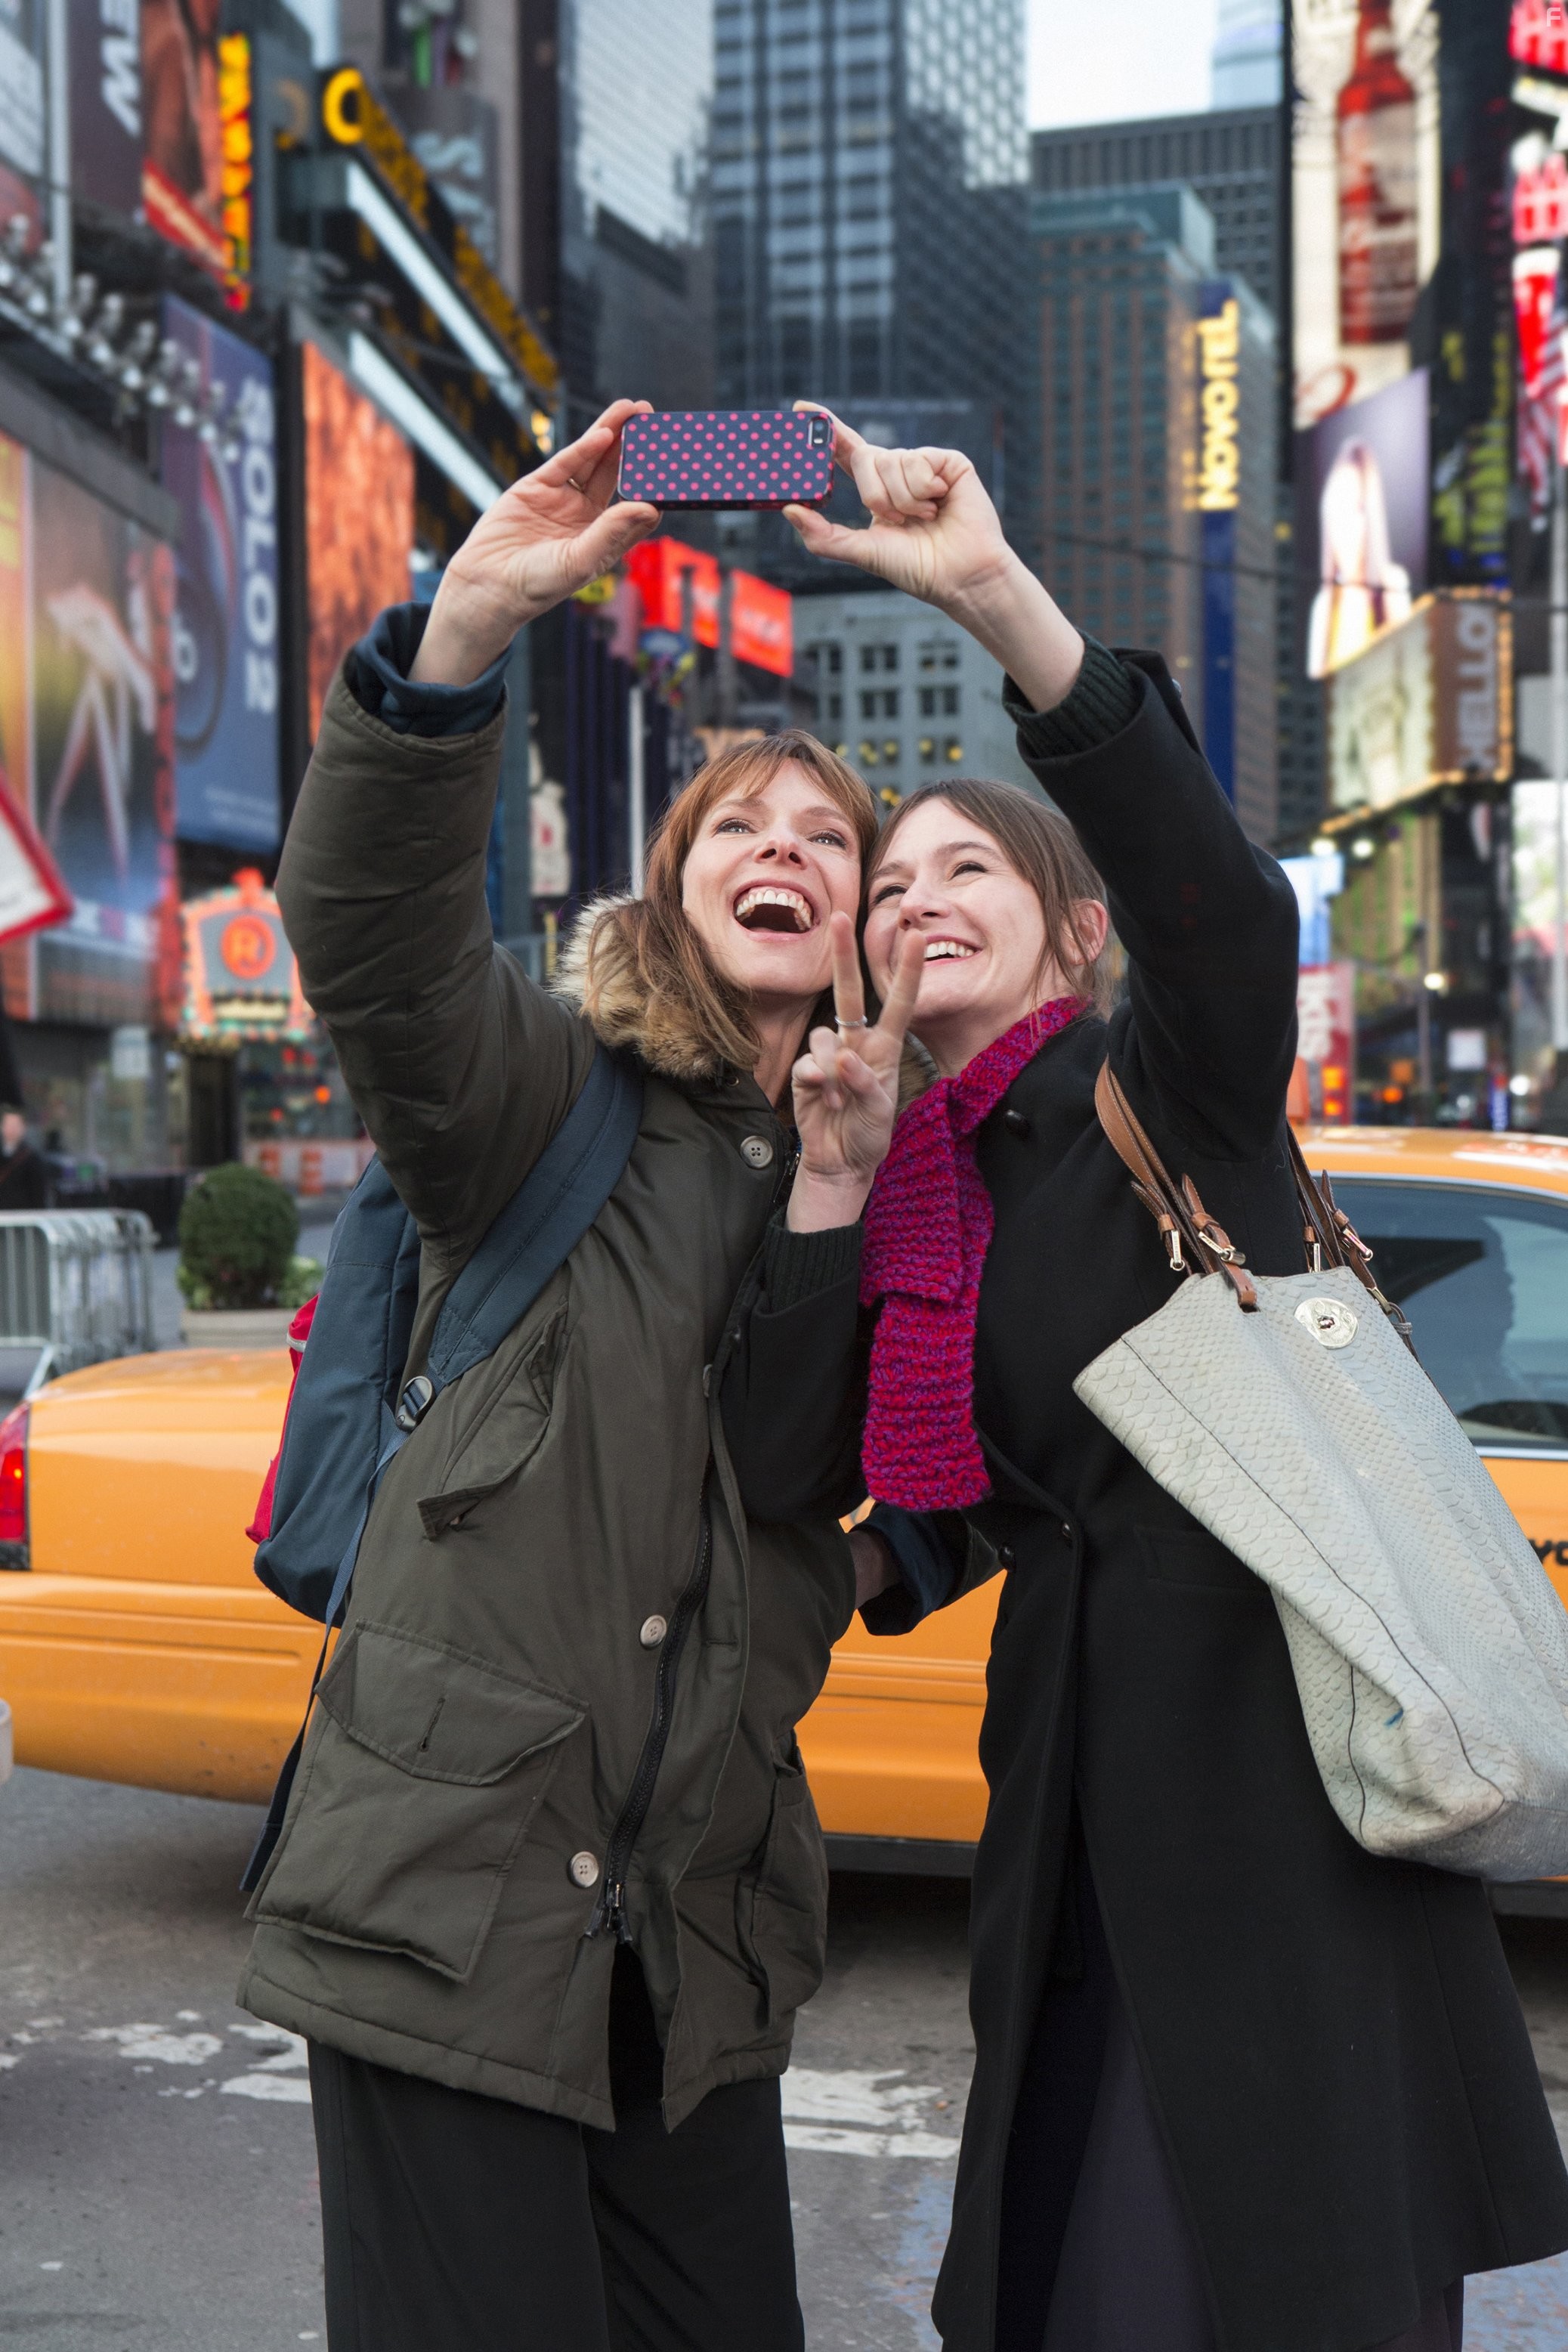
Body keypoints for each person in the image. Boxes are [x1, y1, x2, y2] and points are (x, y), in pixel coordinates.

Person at [724, 411, 1568, 2352]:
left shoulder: (1167, 1097)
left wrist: (995, 597)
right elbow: (944, 1485)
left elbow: (1227, 907)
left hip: (1283, 1812)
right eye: (891, 883)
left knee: (1256, 2278)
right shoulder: (913, 1181)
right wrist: (841, 1540)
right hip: (1076, 1815)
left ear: (1078, 927)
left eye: (970, 868)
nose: (915, 898)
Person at [237, 398, 925, 2352]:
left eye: (828, 837)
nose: (784, 849)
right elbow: (372, 939)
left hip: (690, 1948)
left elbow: (870, 1474)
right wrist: (460, 633)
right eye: (741, 830)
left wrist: (843, 1202)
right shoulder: (545, 1096)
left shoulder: (886, 1184)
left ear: (870, 920)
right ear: (675, 887)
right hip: (441, 1910)